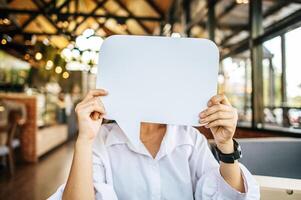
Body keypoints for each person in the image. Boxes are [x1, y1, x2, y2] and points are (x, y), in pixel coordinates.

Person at [49, 89, 259, 200]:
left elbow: (230, 197)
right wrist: (84, 139)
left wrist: (226, 145)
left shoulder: (189, 139)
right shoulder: (101, 139)